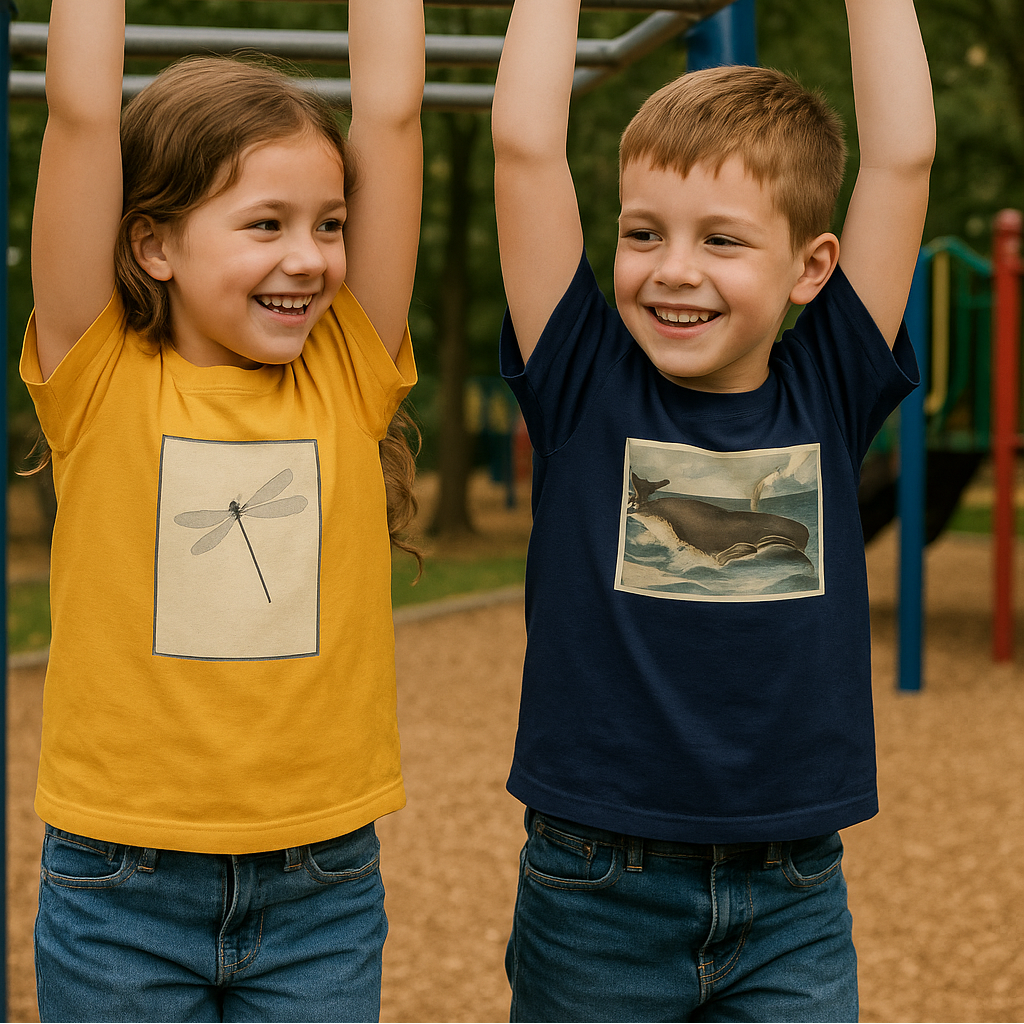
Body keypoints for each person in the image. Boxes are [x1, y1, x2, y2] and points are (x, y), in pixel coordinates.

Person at [492, 1, 933, 1021]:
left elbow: (901, 158)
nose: (673, 269)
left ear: (811, 269)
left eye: (721, 240)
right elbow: (524, 148)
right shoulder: (582, 381)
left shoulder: (828, 384)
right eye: (642, 233)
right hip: (599, 884)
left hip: (791, 892)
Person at [24, 2, 424, 1021]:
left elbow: (391, 113)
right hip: (124, 885)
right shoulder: (99, 373)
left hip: (319, 887)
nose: (311, 257)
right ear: (154, 243)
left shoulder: (345, 362)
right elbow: (78, 115)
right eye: (267, 224)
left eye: (330, 224)